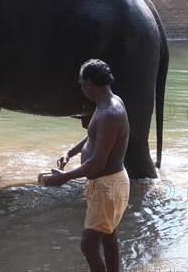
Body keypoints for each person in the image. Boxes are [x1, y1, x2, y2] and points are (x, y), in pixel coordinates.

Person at [45, 59, 130, 272]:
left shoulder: (109, 113)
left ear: (90, 83)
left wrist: (64, 177)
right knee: (108, 238)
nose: (81, 88)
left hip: (107, 187)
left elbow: (97, 163)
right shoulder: (108, 104)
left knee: (88, 246)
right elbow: (92, 136)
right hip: (108, 184)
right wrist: (70, 153)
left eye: (82, 83)